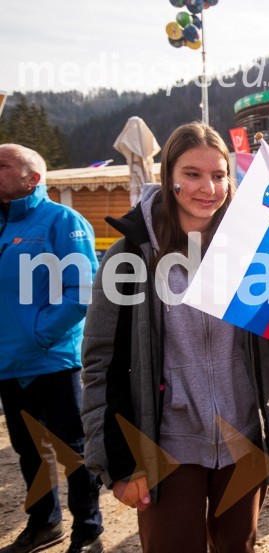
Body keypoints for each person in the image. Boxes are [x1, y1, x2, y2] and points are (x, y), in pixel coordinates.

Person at [81, 122, 269, 552]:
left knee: (238, 546)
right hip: (167, 444)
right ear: (169, 176)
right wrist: (118, 459)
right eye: (192, 174)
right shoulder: (131, 256)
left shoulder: (251, 251)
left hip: (243, 437)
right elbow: (101, 362)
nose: (208, 187)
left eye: (219, 175)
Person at [0, 144, 103, 553]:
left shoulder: (63, 220)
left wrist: (39, 335)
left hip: (52, 360)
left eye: (2, 165)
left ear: (32, 178)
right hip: (8, 363)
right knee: (28, 452)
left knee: (73, 450)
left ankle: (89, 530)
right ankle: (44, 524)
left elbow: (81, 291)